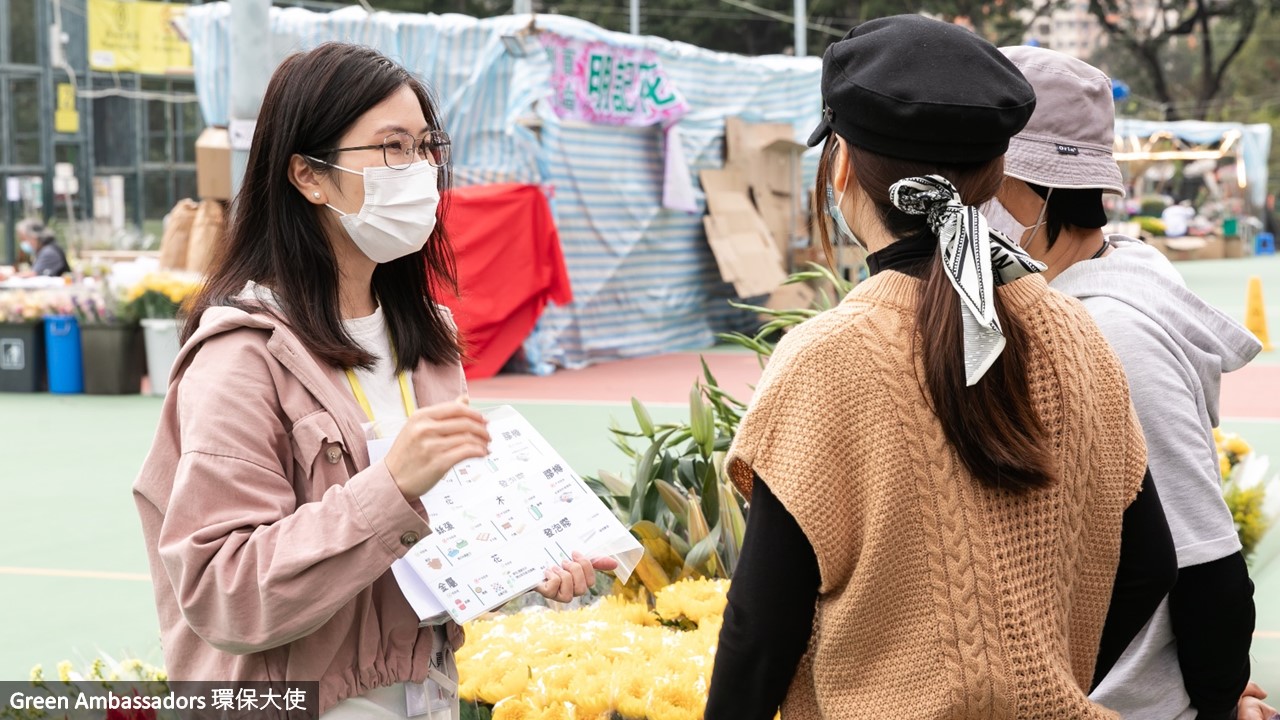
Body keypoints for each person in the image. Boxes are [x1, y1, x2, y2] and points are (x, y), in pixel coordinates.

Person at [704, 16, 1174, 719]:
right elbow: (1150, 563)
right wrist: (1039, 678)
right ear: (994, 174)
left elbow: (759, 634)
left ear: (838, 168)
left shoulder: (828, 358)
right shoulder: (1076, 331)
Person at [132, 43, 616, 720]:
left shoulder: (428, 339)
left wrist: (522, 568)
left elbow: (429, 552)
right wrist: (390, 487)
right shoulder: (242, 355)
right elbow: (224, 590)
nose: (418, 170)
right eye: (390, 148)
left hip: (423, 696)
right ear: (309, 175)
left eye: (426, 146)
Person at [986, 45, 1271, 720]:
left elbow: (1204, 559)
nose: (969, 203)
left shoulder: (1112, 331)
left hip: (1126, 700)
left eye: (983, 180)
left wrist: (1220, 699)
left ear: (1037, 189)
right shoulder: (1107, 275)